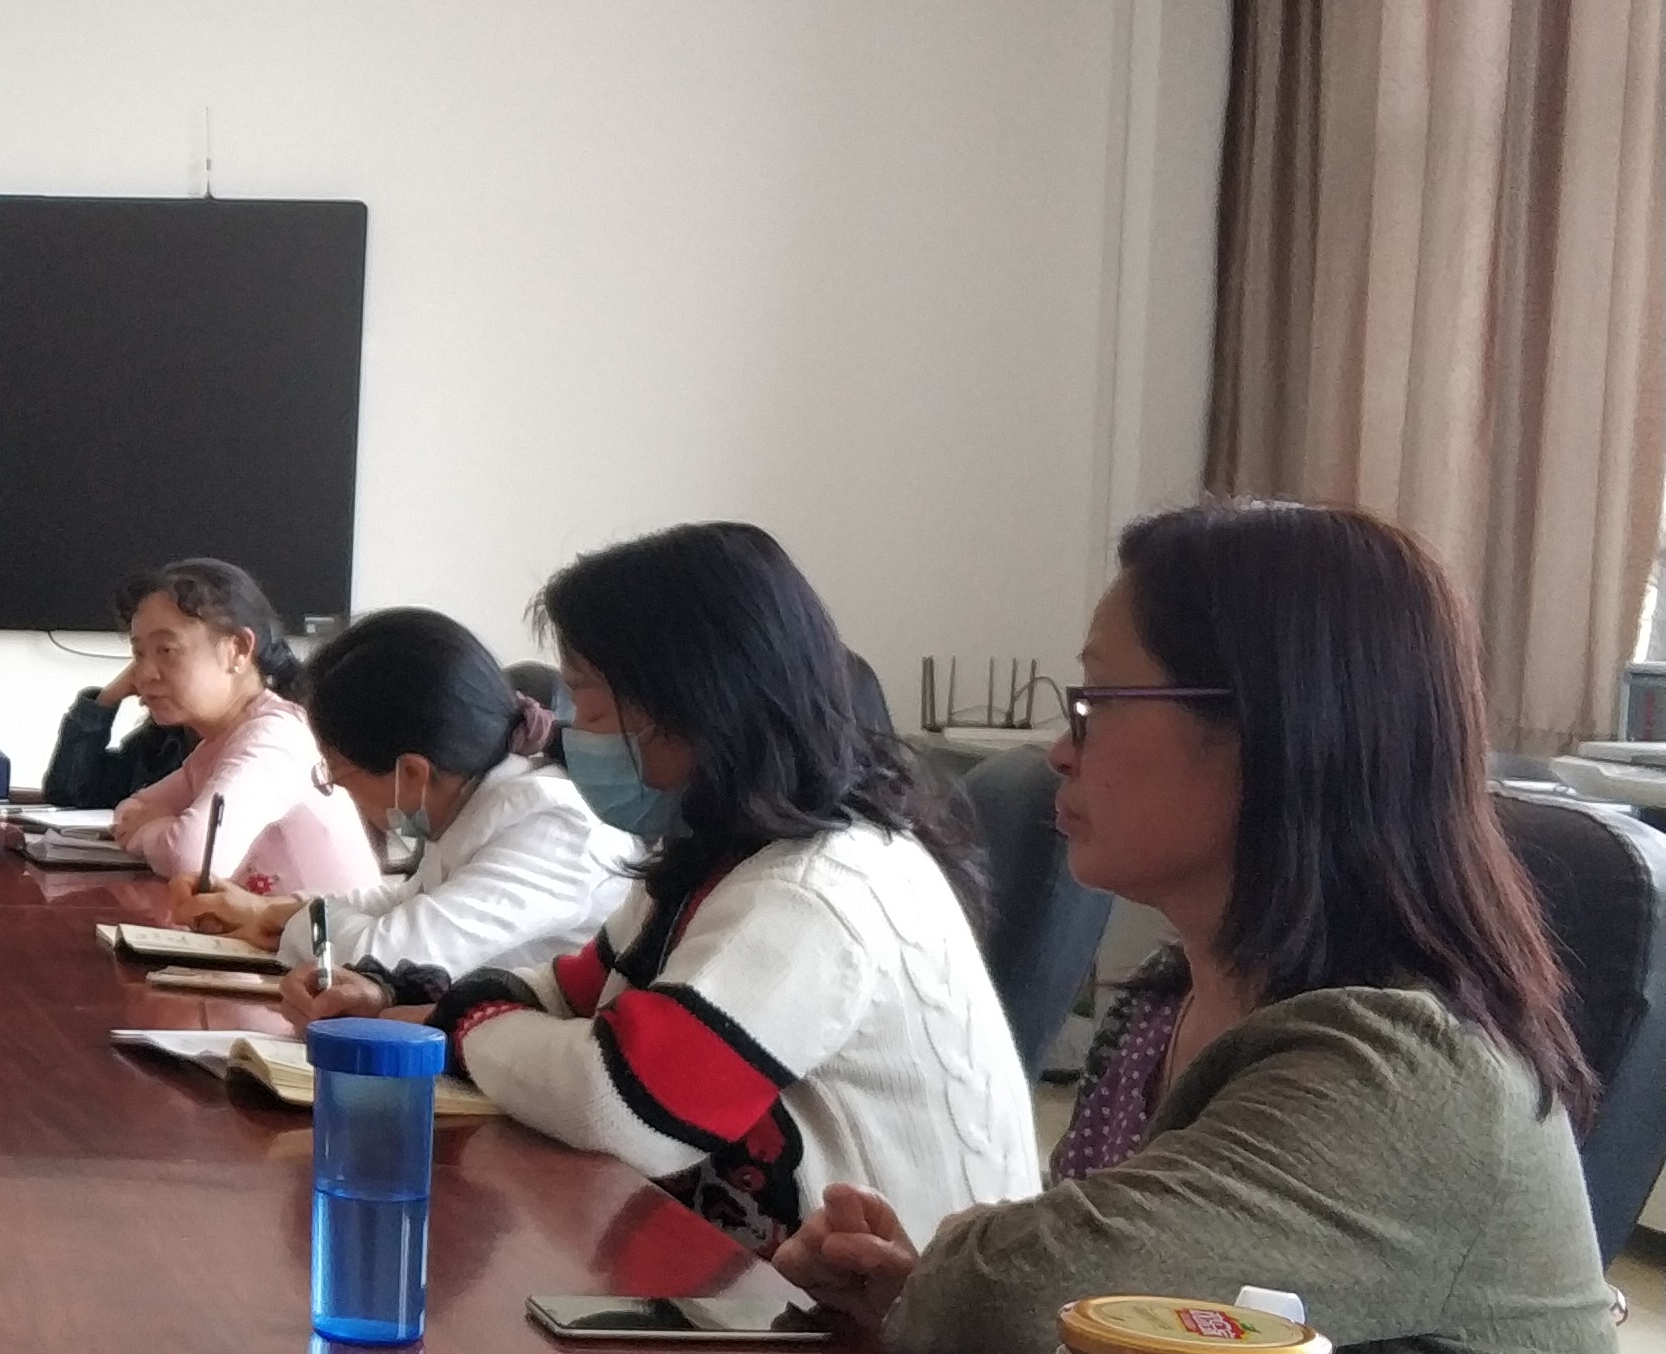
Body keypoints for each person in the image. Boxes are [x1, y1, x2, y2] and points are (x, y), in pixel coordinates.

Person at [776, 501, 1622, 1354]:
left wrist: (942, 1283)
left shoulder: (1410, 1072)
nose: (1059, 749)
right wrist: (914, 1290)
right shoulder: (1173, 1005)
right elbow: (1101, 1318)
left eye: (1096, 701)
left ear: (1265, 732)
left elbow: (1031, 1296)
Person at [424, 521, 1036, 1252]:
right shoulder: (714, 856)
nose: (570, 737)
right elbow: (573, 988)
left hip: (891, 1312)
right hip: (773, 1278)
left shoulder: (816, 888)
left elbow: (623, 1105)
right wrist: (465, 1004)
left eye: (590, 709)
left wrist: (470, 1024)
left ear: (691, 706)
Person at [175, 608, 633, 1021]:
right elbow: (404, 900)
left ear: (411, 773)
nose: (344, 793)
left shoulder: (553, 824)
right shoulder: (480, 800)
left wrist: (293, 923)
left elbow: (387, 956)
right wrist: (280, 911)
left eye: (338, 776)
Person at [103, 558, 377, 898]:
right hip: (277, 931)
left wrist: (151, 830)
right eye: (140, 653)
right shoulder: (218, 743)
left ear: (238, 649)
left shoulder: (274, 738)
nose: (144, 674)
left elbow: (194, 859)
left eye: (166, 650)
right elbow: (130, 811)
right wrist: (160, 827)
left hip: (327, 934)